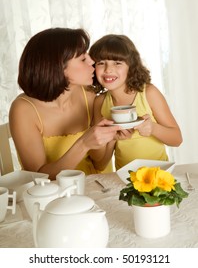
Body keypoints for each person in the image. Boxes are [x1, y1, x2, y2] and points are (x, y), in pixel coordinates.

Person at [9, 28, 122, 180]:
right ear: (57, 66)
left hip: (94, 189)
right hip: (55, 199)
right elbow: (39, 178)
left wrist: (113, 136)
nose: (92, 61)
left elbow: (100, 164)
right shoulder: (24, 110)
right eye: (83, 59)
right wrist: (83, 144)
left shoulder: (89, 94)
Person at [89, 34, 183, 171]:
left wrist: (153, 128)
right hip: (125, 181)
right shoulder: (100, 102)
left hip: (158, 177)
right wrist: (112, 138)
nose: (108, 69)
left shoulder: (148, 93)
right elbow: (100, 164)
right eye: (101, 63)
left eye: (117, 63)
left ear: (131, 66)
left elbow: (177, 139)